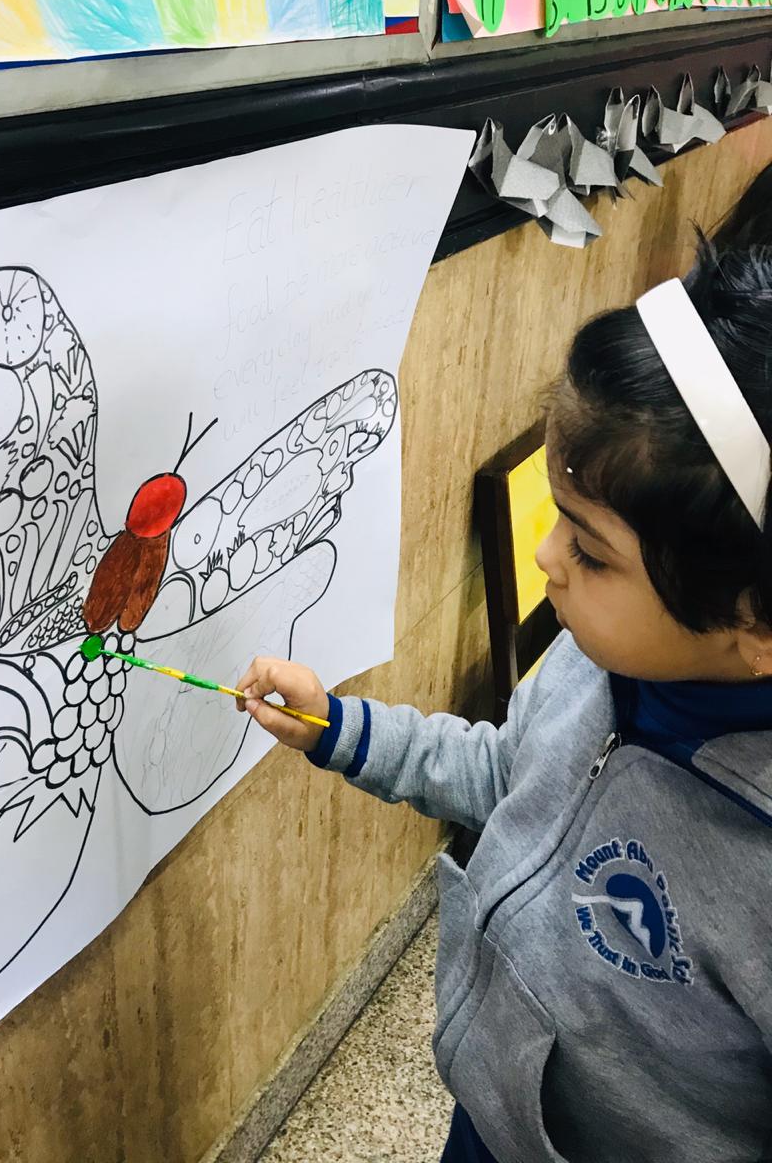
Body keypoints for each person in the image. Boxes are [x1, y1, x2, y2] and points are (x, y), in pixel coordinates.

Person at [236, 214, 772, 1162]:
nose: (546, 558)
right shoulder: (601, 660)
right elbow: (507, 774)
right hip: (495, 1110)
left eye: (590, 551)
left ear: (755, 621)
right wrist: (338, 728)